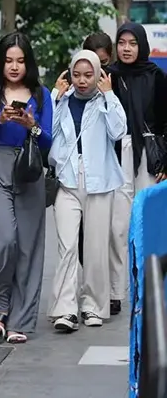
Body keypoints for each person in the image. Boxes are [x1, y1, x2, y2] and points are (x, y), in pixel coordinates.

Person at [0, 32, 53, 344]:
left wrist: (31, 125)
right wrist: (1, 121)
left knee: (29, 248)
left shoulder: (41, 94)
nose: (14, 66)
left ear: (28, 62)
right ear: (0, 62)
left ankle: (21, 320)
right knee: (5, 240)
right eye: (8, 60)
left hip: (29, 169)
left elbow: (48, 142)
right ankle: (0, 305)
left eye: (20, 60)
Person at [49, 50, 126, 331]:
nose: (82, 81)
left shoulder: (104, 101)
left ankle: (93, 306)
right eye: (76, 75)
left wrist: (109, 95)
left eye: (88, 74)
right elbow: (47, 132)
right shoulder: (63, 100)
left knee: (94, 248)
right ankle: (65, 310)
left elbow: (118, 132)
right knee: (67, 247)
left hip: (100, 183)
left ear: (98, 75)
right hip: (67, 182)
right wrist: (54, 97)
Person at [108, 23, 167, 317]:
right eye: (122, 42)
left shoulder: (156, 76)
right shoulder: (111, 77)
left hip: (148, 157)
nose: (127, 48)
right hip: (118, 154)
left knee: (147, 224)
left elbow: (165, 122)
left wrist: (165, 161)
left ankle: (147, 288)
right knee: (117, 226)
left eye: (132, 42)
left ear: (141, 45)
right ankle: (115, 292)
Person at [76, 32, 114, 268]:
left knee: (110, 229)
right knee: (82, 230)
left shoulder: (113, 82)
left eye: (104, 64)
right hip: (81, 169)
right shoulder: (74, 85)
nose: (96, 76)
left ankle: (111, 288)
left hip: (112, 164)